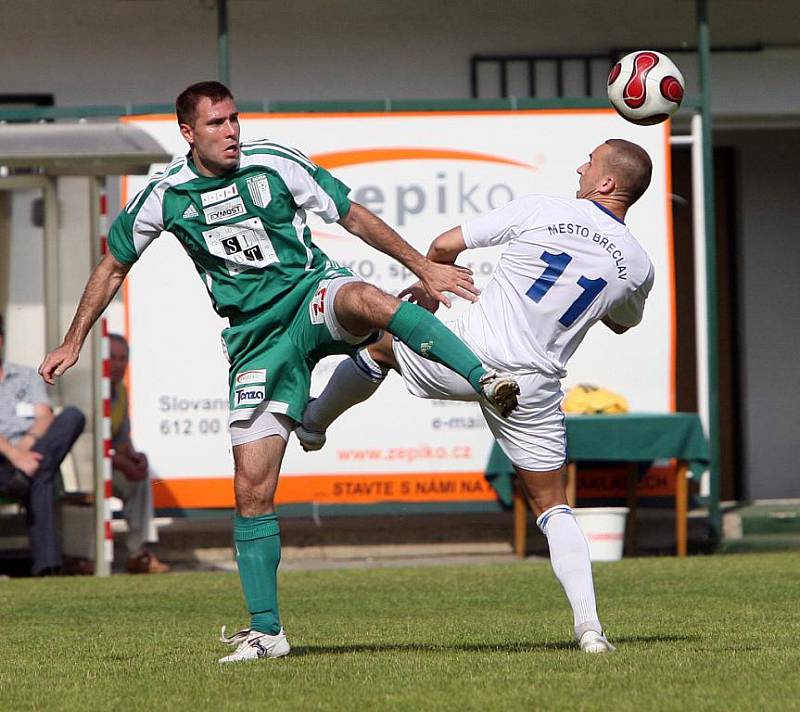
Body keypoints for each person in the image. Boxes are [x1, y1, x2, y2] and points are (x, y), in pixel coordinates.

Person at [39, 81, 519, 662]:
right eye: (216, 124)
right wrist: (73, 340)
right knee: (251, 488)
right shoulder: (165, 195)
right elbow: (114, 266)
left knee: (368, 299)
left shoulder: (273, 162)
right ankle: (267, 633)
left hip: (311, 294)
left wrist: (422, 265)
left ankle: (486, 377)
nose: (232, 131)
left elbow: (351, 215)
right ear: (188, 133)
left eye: (234, 119)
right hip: (255, 339)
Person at [297, 139, 656, 654]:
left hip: (467, 355)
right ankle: (591, 630)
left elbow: (443, 245)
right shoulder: (638, 264)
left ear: (604, 183)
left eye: (590, 161)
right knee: (553, 507)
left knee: (380, 345)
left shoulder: (544, 208)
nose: (580, 165)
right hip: (533, 384)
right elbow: (621, 323)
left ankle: (312, 425)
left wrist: (428, 283)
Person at [0, 312, 85, 576]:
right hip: (3, 459)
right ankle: (47, 567)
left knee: (72, 416)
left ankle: (25, 476)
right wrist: (14, 455)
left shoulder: (26, 375)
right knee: (43, 477)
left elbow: (44, 416)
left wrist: (26, 448)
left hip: (31, 453)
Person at [108, 333, 169, 574]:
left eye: (123, 358)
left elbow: (122, 440)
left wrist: (133, 456)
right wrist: (121, 460)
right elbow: (86, 447)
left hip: (109, 465)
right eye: (112, 357)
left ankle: (137, 553)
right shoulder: (90, 389)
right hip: (85, 469)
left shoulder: (120, 392)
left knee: (141, 475)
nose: (117, 364)